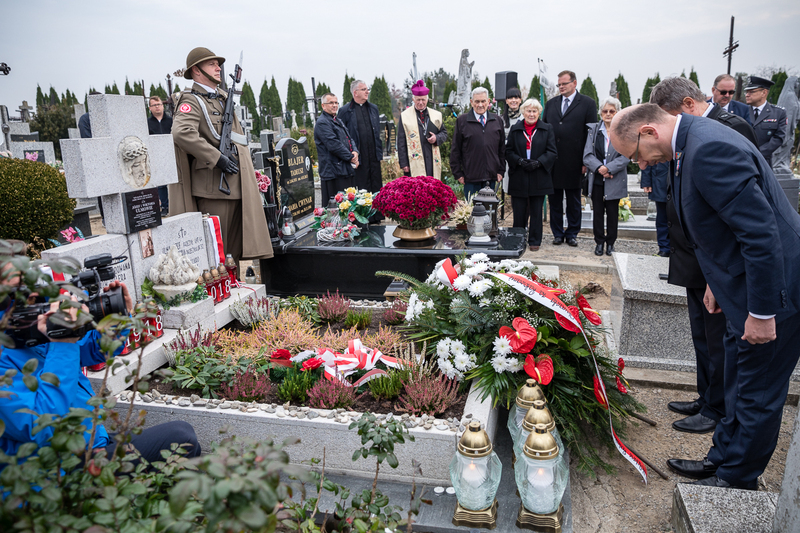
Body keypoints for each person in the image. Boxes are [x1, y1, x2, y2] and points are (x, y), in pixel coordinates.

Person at [609, 103, 800, 490]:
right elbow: (723, 225)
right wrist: (715, 281)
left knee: (757, 391)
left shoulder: (709, 148)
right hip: (739, 284)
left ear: (648, 131)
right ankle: (721, 458)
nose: (641, 166)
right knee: (738, 381)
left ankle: (736, 478)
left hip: (774, 292)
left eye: (635, 157)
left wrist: (763, 313)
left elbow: (760, 235)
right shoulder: (692, 141)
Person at [0, 251, 200, 466]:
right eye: (15, 290)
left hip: (89, 439)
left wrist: (117, 318)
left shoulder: (23, 316)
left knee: (180, 442)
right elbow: (42, 426)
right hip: (56, 469)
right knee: (181, 438)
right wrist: (63, 340)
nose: (28, 293)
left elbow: (89, 350)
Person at [648, 75, 759, 435]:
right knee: (701, 332)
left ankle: (717, 407)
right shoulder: (688, 132)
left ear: (686, 105)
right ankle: (706, 394)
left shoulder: (728, 128)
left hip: (716, 256)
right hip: (690, 252)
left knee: (719, 336)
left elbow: (741, 205)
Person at [170, 47, 272, 265]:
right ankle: (219, 294)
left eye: (218, 64)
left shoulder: (222, 97)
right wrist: (217, 158)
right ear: (196, 70)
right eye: (211, 64)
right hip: (214, 187)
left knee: (231, 255)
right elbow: (181, 133)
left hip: (235, 184)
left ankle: (234, 293)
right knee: (216, 253)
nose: (218, 68)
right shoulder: (192, 101)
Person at [541, 70, 598, 247]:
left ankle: (572, 233)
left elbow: (591, 135)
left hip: (575, 161)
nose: (561, 87)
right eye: (559, 85)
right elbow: (545, 131)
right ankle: (557, 233)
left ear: (574, 83)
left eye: (564, 84)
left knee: (574, 201)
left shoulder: (587, 103)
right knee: (555, 200)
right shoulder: (551, 104)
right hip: (554, 161)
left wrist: (585, 161)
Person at [505, 99, 557, 251]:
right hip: (519, 175)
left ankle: (535, 240)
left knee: (536, 210)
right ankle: (518, 239)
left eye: (534, 111)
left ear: (539, 113)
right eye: (528, 111)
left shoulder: (547, 129)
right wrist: (519, 161)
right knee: (519, 210)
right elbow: (508, 151)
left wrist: (539, 162)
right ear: (523, 112)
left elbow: (552, 152)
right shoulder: (515, 129)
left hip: (538, 175)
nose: (531, 114)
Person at [583, 97, 628, 256]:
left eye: (612, 111)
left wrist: (609, 168)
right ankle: (599, 242)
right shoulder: (593, 131)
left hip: (614, 178)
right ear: (600, 113)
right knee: (598, 213)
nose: (608, 114)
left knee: (612, 212)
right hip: (596, 178)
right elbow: (587, 155)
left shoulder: (623, 131)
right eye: (605, 111)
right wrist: (600, 168)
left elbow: (626, 155)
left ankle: (611, 243)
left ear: (617, 112)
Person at [450, 87, 505, 199]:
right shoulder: (462, 121)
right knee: (472, 213)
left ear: (488, 102)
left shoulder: (497, 120)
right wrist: (458, 174)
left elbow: (502, 149)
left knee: (489, 213)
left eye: (483, 101)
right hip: (470, 178)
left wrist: (501, 171)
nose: (480, 105)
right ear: (471, 102)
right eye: (477, 101)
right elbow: (456, 149)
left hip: (491, 177)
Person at [337, 81, 383, 194]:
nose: (367, 92)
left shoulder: (373, 108)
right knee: (361, 190)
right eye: (363, 89)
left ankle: (378, 211)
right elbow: (341, 135)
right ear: (355, 93)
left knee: (377, 189)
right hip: (358, 159)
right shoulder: (345, 111)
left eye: (367, 89)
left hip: (373, 158)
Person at [397, 80, 448, 180]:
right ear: (413, 99)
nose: (421, 103)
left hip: (431, 158)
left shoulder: (436, 115)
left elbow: (444, 133)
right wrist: (404, 163)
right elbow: (401, 141)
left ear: (427, 100)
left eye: (423, 100)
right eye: (418, 100)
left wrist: (436, 138)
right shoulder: (405, 116)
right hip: (413, 161)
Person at [314, 93, 358, 202]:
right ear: (323, 106)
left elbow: (349, 138)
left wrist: (355, 152)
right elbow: (334, 145)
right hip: (333, 172)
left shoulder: (337, 120)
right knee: (335, 210)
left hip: (343, 169)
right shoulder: (322, 123)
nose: (334, 105)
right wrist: (350, 157)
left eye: (336, 102)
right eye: (331, 103)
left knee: (347, 206)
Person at [745, 76, 789, 167]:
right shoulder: (742, 110)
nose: (747, 95)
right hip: (742, 159)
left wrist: (757, 153)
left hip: (764, 161)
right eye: (746, 91)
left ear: (764, 92)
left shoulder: (778, 113)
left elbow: (778, 138)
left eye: (751, 92)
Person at [147, 96, 173, 216]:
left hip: (171, 154)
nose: (157, 107)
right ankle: (164, 206)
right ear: (150, 108)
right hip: (156, 156)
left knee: (174, 183)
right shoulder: (147, 123)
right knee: (161, 184)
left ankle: (174, 205)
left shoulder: (171, 121)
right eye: (154, 105)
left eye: (159, 104)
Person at [641, 162, 670, 257]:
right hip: (660, 179)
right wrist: (646, 181)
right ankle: (664, 248)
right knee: (662, 218)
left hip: (681, 181)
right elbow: (646, 156)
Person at [501, 87, 524, 194]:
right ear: (506, 101)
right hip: (507, 159)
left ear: (520, 100)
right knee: (509, 189)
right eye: (510, 98)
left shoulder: (525, 118)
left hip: (522, 158)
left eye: (516, 97)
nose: (513, 100)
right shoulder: (501, 119)